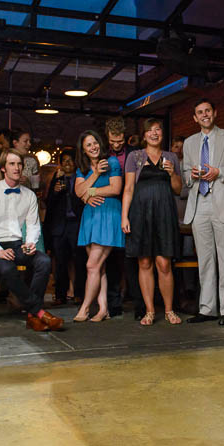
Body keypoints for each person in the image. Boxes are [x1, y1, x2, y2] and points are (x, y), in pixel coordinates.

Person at [0, 149, 63, 332]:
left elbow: (32, 225)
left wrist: (31, 243)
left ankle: (32, 317)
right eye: (12, 164)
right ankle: (39, 312)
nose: (17, 168)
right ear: (3, 168)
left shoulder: (29, 195)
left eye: (19, 164)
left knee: (44, 261)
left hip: (17, 245)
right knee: (7, 267)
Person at [182, 98, 224, 326]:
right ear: (195, 118)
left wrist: (218, 172)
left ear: (215, 113)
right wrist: (193, 176)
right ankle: (207, 308)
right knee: (206, 259)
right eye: (200, 112)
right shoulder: (189, 143)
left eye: (208, 110)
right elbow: (185, 176)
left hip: (223, 200)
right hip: (199, 203)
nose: (204, 115)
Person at [121, 119, 183, 326]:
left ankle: (168, 309)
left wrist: (172, 172)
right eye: (149, 130)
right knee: (144, 262)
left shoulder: (171, 157)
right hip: (140, 213)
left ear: (162, 134)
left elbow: (178, 189)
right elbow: (128, 189)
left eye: (158, 129)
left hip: (164, 213)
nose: (154, 133)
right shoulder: (134, 157)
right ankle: (149, 311)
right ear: (144, 135)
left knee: (164, 263)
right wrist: (124, 216)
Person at [73, 130, 124, 322]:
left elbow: (116, 188)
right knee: (98, 268)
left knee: (92, 265)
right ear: (84, 150)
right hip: (91, 217)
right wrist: (94, 174)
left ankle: (85, 308)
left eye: (95, 143)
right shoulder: (84, 168)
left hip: (108, 214)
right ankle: (103, 309)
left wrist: (91, 192)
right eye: (88, 145)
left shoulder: (110, 162)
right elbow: (78, 192)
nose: (93, 147)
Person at [102, 117, 139, 319]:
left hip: (132, 207)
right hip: (110, 207)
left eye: (120, 141)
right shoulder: (102, 154)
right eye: (113, 141)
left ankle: (136, 301)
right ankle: (114, 303)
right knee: (113, 257)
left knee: (131, 256)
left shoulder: (135, 153)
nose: (116, 145)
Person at [43, 150, 84, 306]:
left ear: (75, 163)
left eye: (70, 160)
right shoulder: (56, 178)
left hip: (76, 223)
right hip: (59, 225)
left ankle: (79, 293)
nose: (67, 164)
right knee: (60, 261)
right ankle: (60, 294)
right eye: (64, 161)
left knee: (79, 259)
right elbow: (49, 202)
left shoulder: (80, 177)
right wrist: (55, 192)